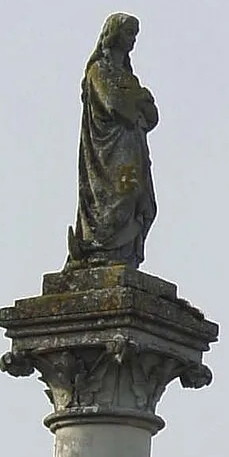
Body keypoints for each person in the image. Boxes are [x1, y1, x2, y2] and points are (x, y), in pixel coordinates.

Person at [68, 15, 157, 270]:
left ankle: (124, 256)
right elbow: (115, 105)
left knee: (142, 200)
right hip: (109, 153)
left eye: (135, 35)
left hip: (134, 149)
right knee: (120, 197)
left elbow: (152, 116)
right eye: (129, 33)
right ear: (114, 34)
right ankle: (102, 252)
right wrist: (140, 100)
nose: (132, 40)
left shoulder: (129, 78)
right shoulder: (99, 71)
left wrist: (140, 102)